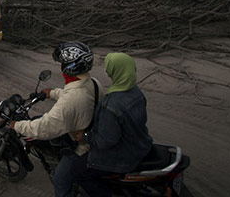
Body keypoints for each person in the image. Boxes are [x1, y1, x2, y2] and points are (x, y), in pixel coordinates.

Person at [10, 42, 99, 197]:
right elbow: (75, 92)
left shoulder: (70, 101)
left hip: (82, 148)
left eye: (62, 63)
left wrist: (17, 125)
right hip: (93, 132)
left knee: (60, 181)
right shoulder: (94, 83)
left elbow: (43, 128)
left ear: (68, 68)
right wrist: (52, 93)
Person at [73, 52, 153, 197]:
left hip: (122, 158)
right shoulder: (136, 92)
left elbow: (105, 141)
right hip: (141, 146)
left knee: (81, 175)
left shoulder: (111, 104)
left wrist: (84, 137)